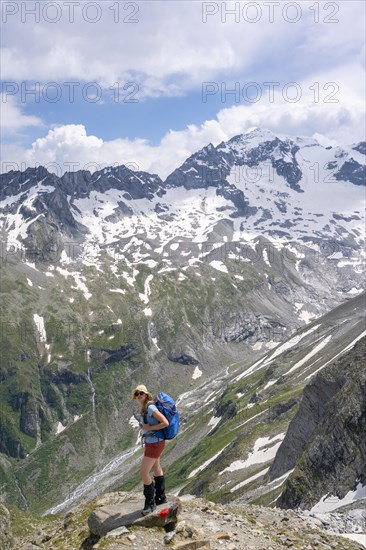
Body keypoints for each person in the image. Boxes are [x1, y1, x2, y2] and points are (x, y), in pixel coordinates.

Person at [132, 384, 169, 515]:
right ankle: (160, 497)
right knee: (156, 467)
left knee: (143, 472)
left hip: (155, 444)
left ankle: (150, 502)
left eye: (141, 393)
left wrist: (149, 428)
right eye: (136, 394)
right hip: (154, 442)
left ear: (146, 394)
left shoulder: (151, 407)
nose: (138, 396)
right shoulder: (146, 408)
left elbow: (165, 422)